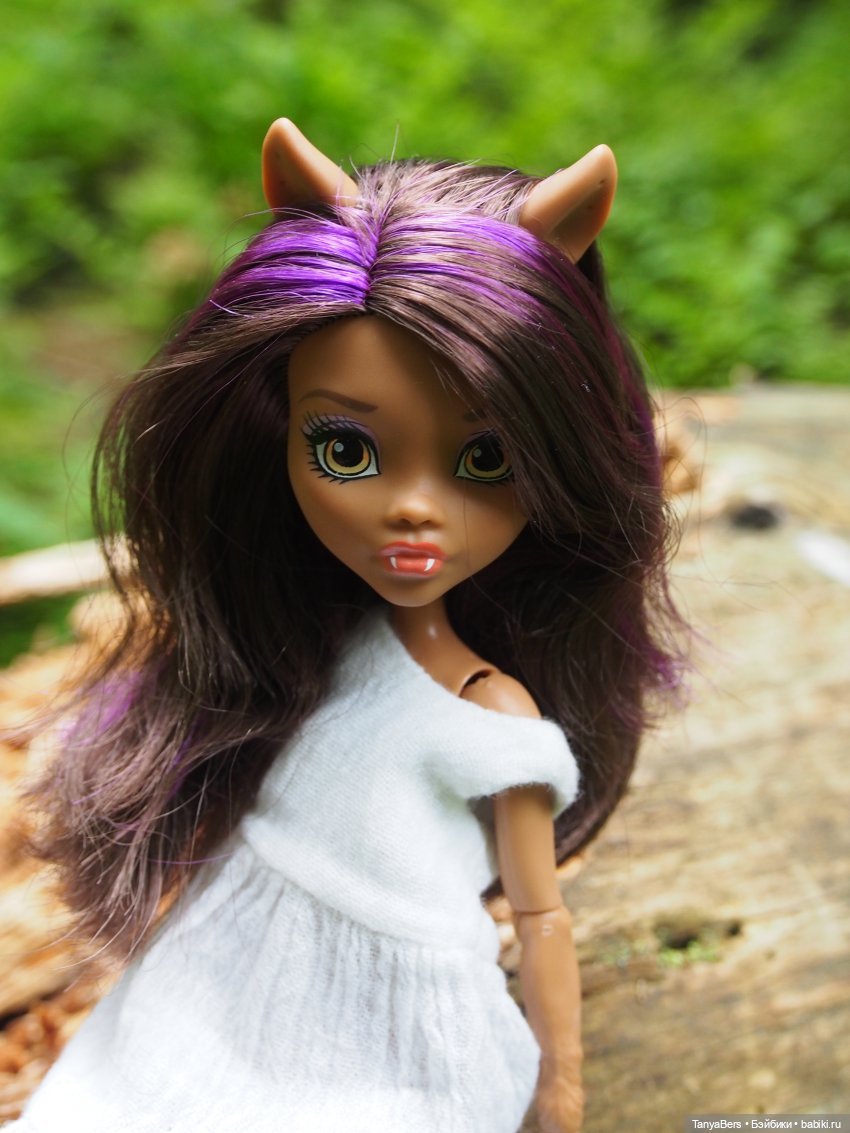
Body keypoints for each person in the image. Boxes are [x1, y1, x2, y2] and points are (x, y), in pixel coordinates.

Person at [11, 119, 683, 1133]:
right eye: (346, 449)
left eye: (487, 459)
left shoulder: (491, 712)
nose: (412, 510)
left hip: (393, 1024)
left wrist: (560, 1082)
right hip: (222, 976)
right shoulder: (304, 643)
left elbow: (540, 915)